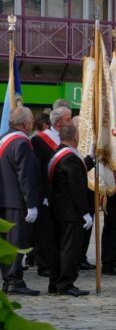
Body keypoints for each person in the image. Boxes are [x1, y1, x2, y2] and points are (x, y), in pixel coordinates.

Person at [48, 124, 92, 296]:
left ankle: (55, 282)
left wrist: (90, 160)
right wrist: (85, 213)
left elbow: (74, 174)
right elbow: (77, 187)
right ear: (75, 137)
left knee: (58, 248)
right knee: (69, 249)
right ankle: (66, 284)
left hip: (58, 210)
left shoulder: (58, 153)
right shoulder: (70, 157)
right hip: (71, 212)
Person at [0, 106, 40, 295]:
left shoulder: (3, 140)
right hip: (16, 202)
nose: (32, 123)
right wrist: (31, 204)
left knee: (7, 244)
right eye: (31, 119)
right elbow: (26, 176)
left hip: (4, 200)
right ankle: (14, 281)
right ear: (26, 123)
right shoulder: (22, 143)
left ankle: (8, 280)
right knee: (16, 243)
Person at [30, 105, 71, 278]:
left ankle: (58, 262)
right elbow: (38, 170)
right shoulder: (40, 140)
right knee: (46, 231)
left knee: (60, 231)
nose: (71, 122)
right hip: (48, 193)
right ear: (59, 122)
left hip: (64, 194)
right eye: (69, 119)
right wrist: (43, 194)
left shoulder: (69, 139)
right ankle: (44, 264)